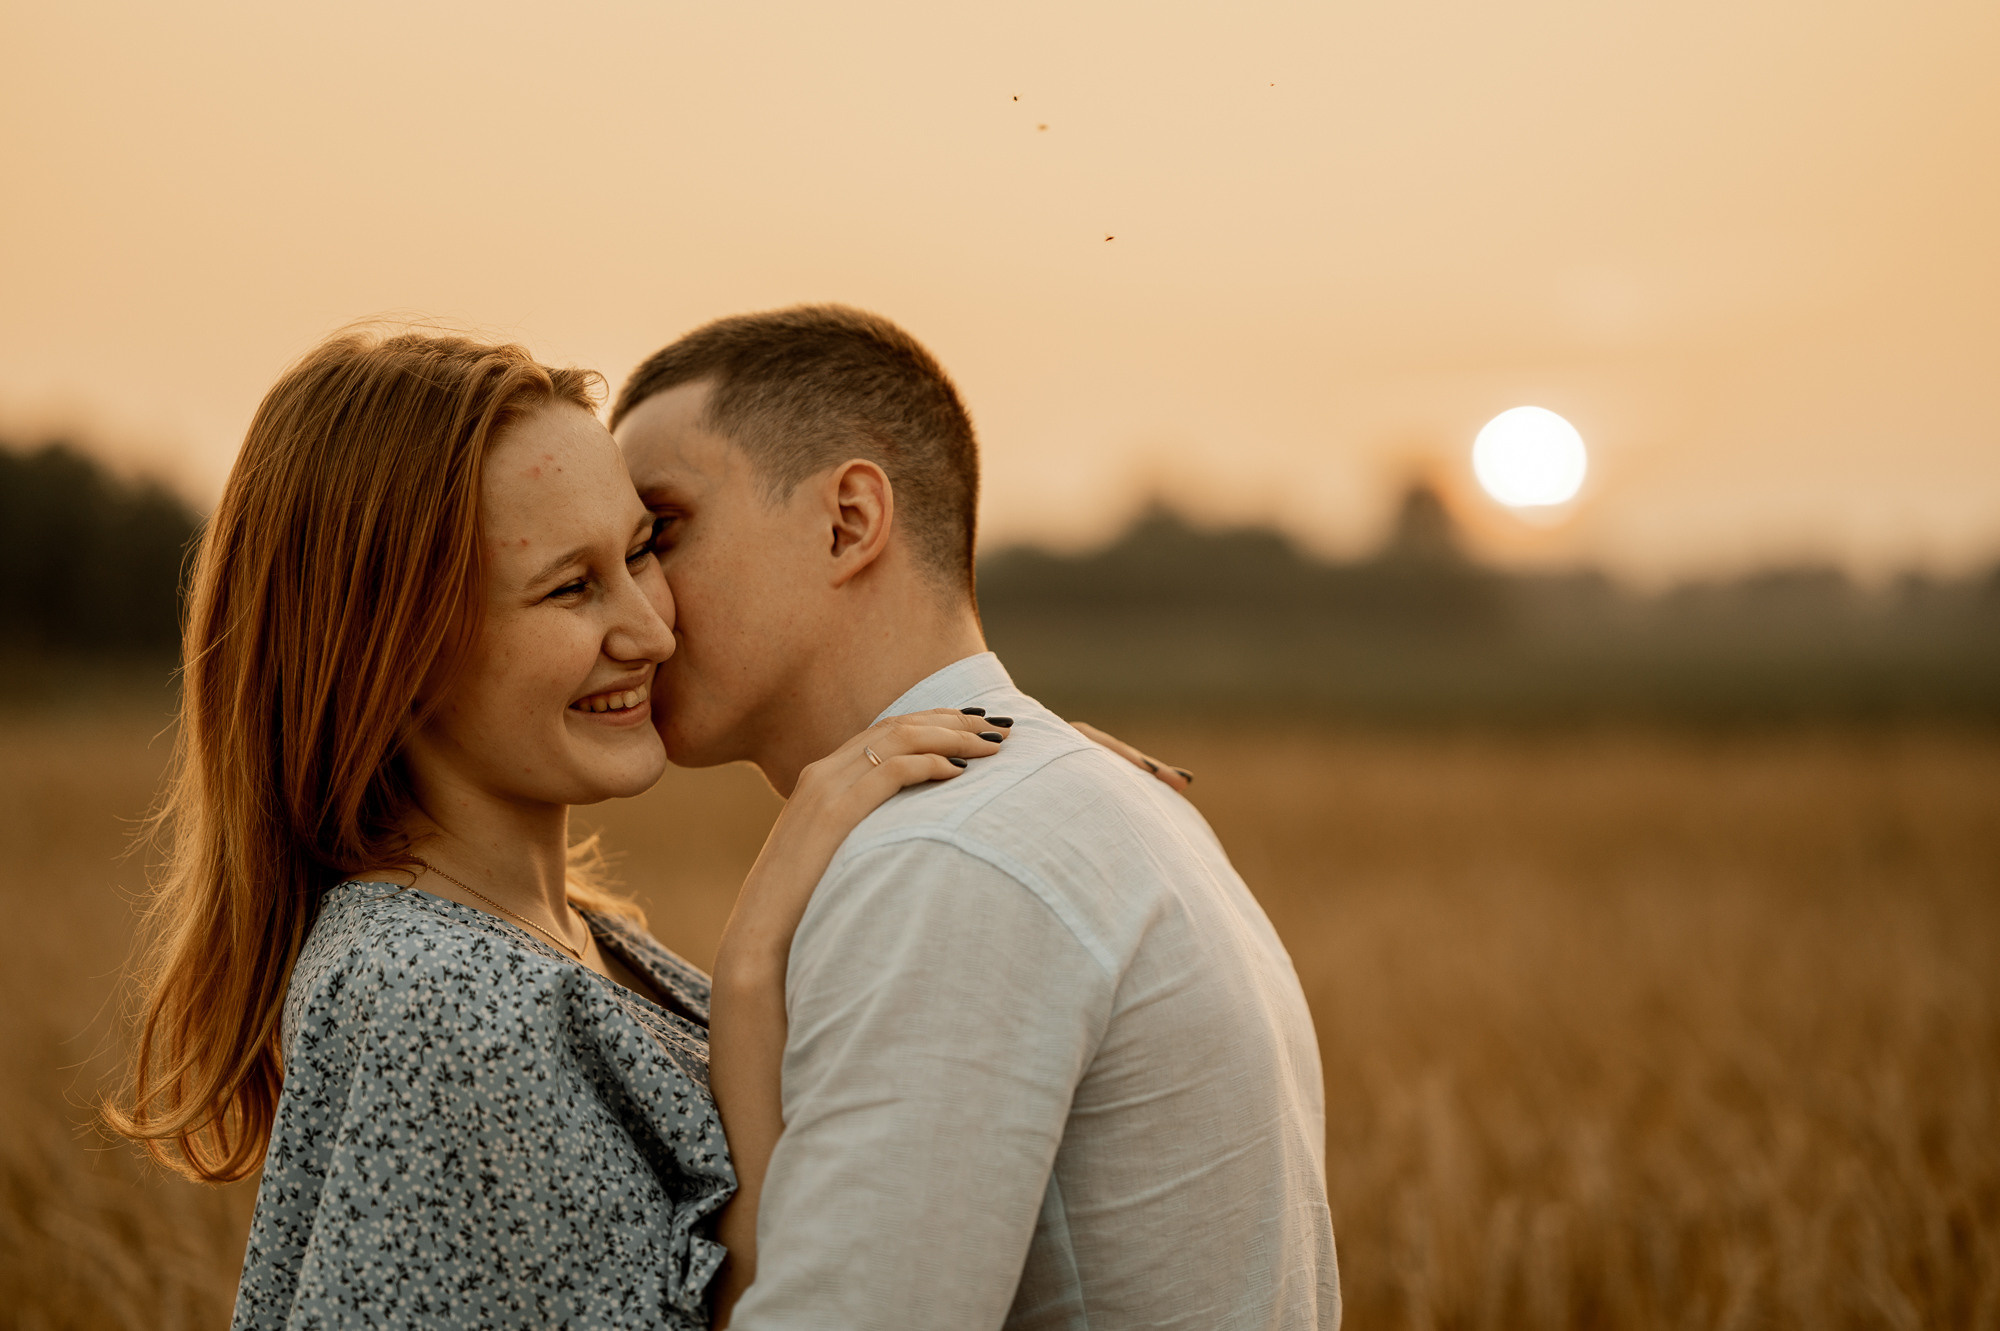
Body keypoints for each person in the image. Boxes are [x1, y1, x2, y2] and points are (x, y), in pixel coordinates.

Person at [107, 328, 1145, 1328]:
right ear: (391, 653)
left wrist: (1022, 779)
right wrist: (755, 956)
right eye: (571, 587)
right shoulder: (434, 996)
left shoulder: (557, 938)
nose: (652, 629)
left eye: (643, 550)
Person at [613, 304, 1340, 1328]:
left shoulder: (944, 860)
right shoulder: (1064, 804)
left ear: (847, 520)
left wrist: (752, 966)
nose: (635, 604)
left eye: (661, 532)